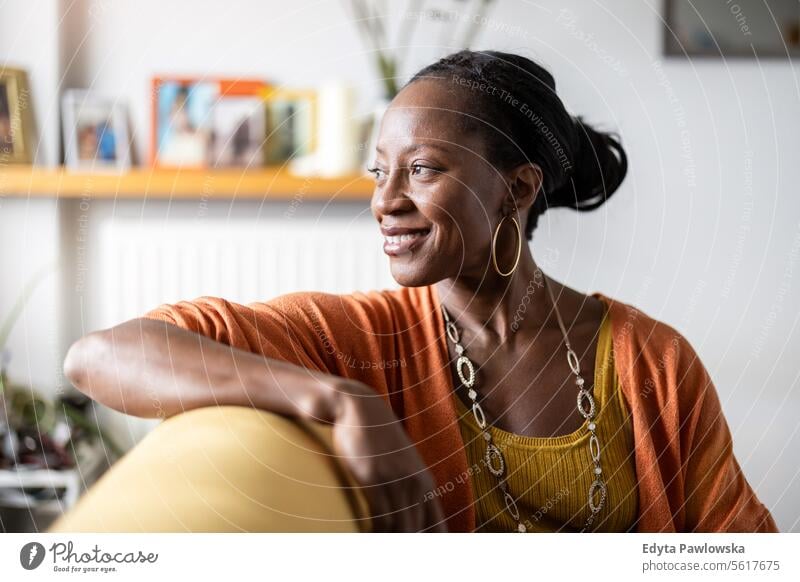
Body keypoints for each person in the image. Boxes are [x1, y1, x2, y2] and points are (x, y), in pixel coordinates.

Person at [57, 50, 778, 533]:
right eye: (379, 172)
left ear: (517, 189)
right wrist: (336, 399)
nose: (385, 201)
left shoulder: (650, 363)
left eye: (423, 169)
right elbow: (100, 356)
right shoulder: (355, 341)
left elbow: (737, 549)